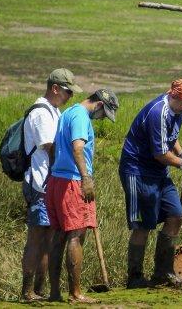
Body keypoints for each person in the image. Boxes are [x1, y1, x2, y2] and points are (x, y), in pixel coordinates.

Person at [120, 79, 182, 289]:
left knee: (176, 215)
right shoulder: (158, 113)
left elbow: (171, 137)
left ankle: (163, 272)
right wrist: (181, 163)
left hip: (159, 172)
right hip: (138, 171)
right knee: (144, 225)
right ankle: (135, 276)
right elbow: (159, 153)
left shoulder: (179, 112)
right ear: (173, 96)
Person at [45, 88, 119, 303]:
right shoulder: (80, 116)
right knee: (76, 235)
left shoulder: (68, 112)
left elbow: (55, 148)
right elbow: (78, 148)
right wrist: (86, 178)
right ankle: (75, 293)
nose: (101, 118)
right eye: (103, 114)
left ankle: (54, 293)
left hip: (57, 180)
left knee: (58, 236)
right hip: (72, 181)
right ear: (99, 105)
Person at [21, 68, 81, 301]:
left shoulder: (54, 111)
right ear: (55, 88)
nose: (70, 97)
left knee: (49, 237)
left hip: (51, 183)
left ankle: (39, 290)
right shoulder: (41, 113)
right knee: (37, 237)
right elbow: (50, 147)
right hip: (39, 183)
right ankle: (27, 292)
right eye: (68, 92)